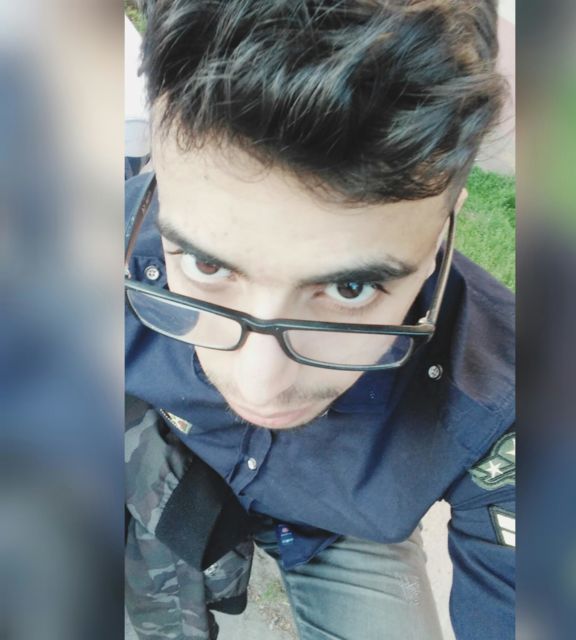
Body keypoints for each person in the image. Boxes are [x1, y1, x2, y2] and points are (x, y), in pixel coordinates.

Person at [125, 1, 515, 638]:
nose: (260, 386)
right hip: (170, 454)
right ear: (159, 183)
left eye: (350, 288)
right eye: (205, 264)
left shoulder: (511, 399)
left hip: (333, 532)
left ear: (444, 231)